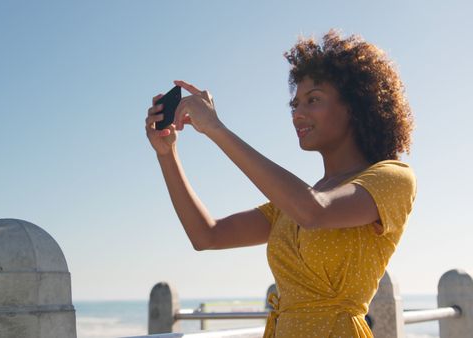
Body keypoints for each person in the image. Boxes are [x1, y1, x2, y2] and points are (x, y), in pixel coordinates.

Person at [144, 29, 416, 338]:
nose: (298, 114)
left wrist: (216, 128)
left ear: (355, 105)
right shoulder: (292, 204)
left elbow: (315, 212)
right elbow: (207, 235)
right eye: (295, 104)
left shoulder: (393, 178)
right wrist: (167, 154)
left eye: (313, 100)